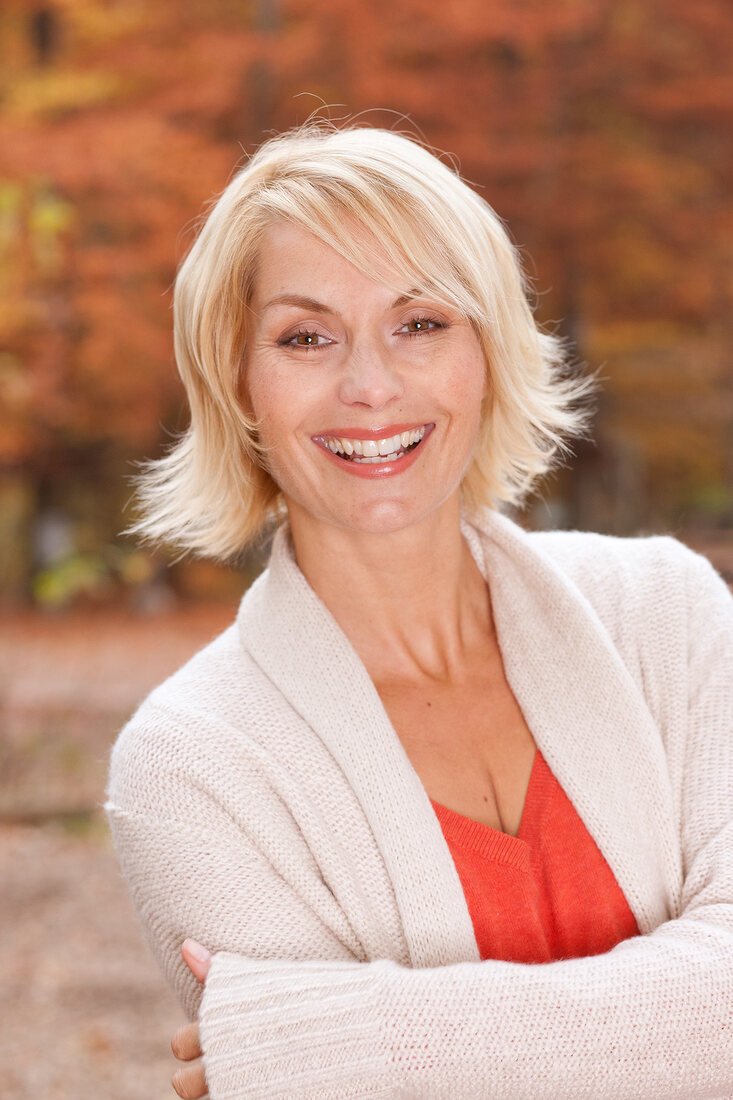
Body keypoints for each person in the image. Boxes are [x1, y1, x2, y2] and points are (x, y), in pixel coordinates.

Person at [105, 122, 733, 1100]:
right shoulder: (191, 763)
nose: (369, 384)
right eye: (305, 336)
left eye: (421, 322)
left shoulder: (670, 615)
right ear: (238, 384)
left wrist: (354, 1041)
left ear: (485, 349)